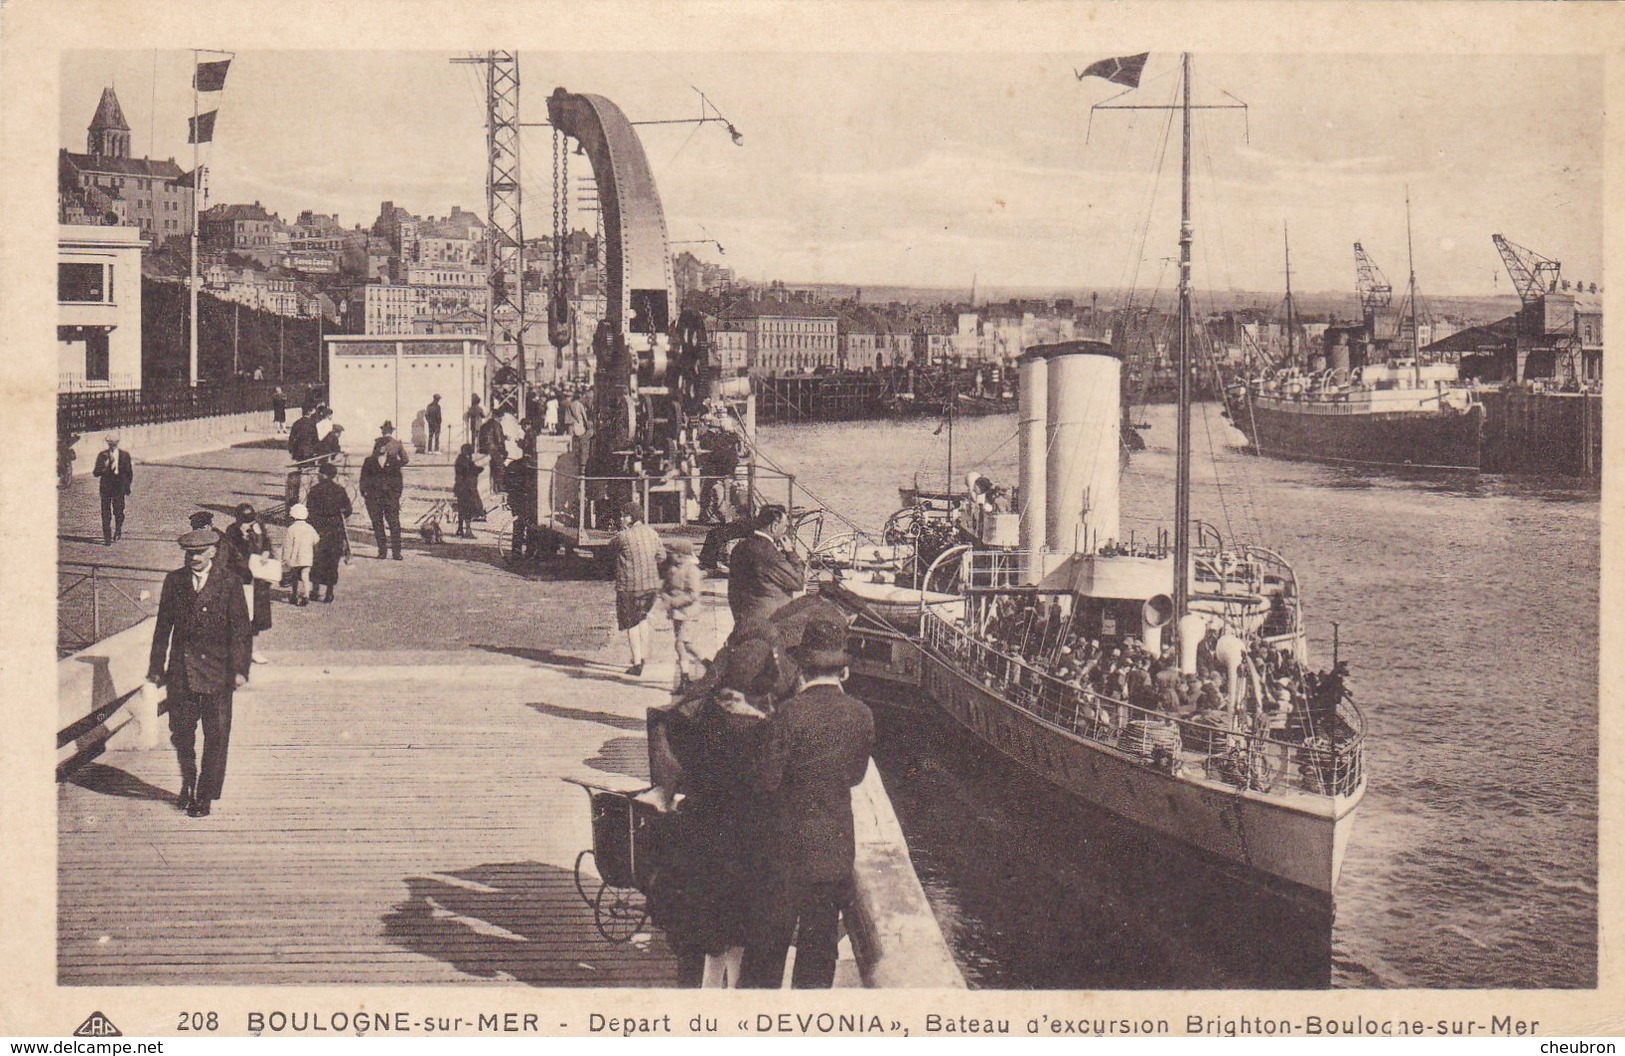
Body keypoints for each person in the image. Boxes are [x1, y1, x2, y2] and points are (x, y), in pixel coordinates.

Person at [739, 613, 874, 989]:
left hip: (784, 853)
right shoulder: (862, 716)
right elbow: (855, 776)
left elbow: (765, 780)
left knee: (767, 952)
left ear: (801, 668)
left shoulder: (787, 715)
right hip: (833, 854)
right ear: (842, 672)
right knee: (818, 956)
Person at [657, 634, 778, 987]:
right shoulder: (762, 732)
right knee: (739, 938)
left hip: (702, 840)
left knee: (711, 939)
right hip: (742, 846)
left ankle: (708, 998)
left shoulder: (700, 719)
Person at [146, 527, 250, 819]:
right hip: (182, 671)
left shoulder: (229, 582)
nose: (194, 558)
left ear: (213, 552)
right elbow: (163, 627)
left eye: (200, 553)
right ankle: (188, 782)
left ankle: (203, 795)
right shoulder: (174, 581)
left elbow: (240, 629)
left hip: (219, 672)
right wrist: (156, 667)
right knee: (181, 734)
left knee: (216, 736)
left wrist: (241, 669)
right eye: (189, 553)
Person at [609, 501, 665, 677]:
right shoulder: (652, 533)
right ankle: (645, 656)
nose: (621, 518)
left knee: (631, 623)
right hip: (651, 587)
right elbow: (662, 556)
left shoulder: (622, 537)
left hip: (629, 587)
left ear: (630, 518)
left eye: (623, 515)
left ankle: (637, 662)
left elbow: (609, 550)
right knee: (643, 620)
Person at [725, 505, 805, 626]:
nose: (785, 531)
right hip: (769, 619)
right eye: (784, 527)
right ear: (774, 526)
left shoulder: (740, 547)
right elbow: (798, 582)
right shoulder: (770, 553)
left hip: (742, 616)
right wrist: (790, 553)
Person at [223, 503, 274, 669]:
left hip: (258, 580)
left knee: (257, 617)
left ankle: (253, 649)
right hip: (241, 578)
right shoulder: (232, 532)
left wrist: (266, 552)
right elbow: (232, 555)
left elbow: (267, 543)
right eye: (245, 522)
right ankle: (234, 650)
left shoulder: (258, 528)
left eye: (251, 521)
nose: (249, 525)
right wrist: (244, 540)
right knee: (239, 614)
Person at [358, 421, 408, 560]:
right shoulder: (369, 461)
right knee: (378, 525)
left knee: (394, 525)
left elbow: (399, 480)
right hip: (374, 499)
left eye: (382, 446)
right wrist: (365, 494)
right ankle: (382, 551)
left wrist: (396, 495)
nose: (380, 448)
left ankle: (397, 552)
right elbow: (363, 479)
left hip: (390, 497)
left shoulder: (393, 462)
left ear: (386, 448)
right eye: (378, 446)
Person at [304, 462, 351, 603]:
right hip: (335, 530)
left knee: (316, 560)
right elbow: (348, 510)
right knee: (332, 561)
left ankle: (315, 590)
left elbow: (309, 510)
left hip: (318, 530)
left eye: (319, 473)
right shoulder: (340, 490)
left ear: (324, 475)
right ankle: (329, 592)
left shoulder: (315, 490)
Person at [660, 539, 705, 685]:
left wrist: (673, 602)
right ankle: (708, 664)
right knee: (686, 645)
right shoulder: (673, 569)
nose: (669, 557)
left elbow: (693, 594)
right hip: (677, 613)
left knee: (679, 644)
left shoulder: (692, 571)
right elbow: (667, 586)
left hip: (688, 613)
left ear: (682, 556)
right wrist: (664, 594)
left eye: (672, 554)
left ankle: (685, 678)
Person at [92, 434, 135, 545]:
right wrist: (103, 467)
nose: (112, 445)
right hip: (106, 486)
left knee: (119, 511)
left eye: (114, 443)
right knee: (105, 512)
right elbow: (95, 473)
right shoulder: (102, 456)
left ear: (117, 443)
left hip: (118, 486)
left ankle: (118, 529)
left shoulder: (125, 455)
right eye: (110, 443)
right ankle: (107, 537)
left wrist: (127, 487)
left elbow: (129, 473)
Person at [281, 504, 319, 606]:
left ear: (292, 517)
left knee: (294, 577)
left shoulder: (291, 529)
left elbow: (287, 546)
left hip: (295, 558)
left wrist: (285, 559)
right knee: (305, 576)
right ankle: (306, 595)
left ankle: (294, 595)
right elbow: (316, 540)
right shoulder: (310, 528)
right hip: (307, 557)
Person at [452, 443, 485, 538]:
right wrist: (479, 469)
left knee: (462, 510)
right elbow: (470, 471)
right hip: (467, 489)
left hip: (462, 488)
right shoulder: (464, 460)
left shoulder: (462, 459)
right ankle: (467, 530)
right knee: (467, 510)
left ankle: (460, 529)